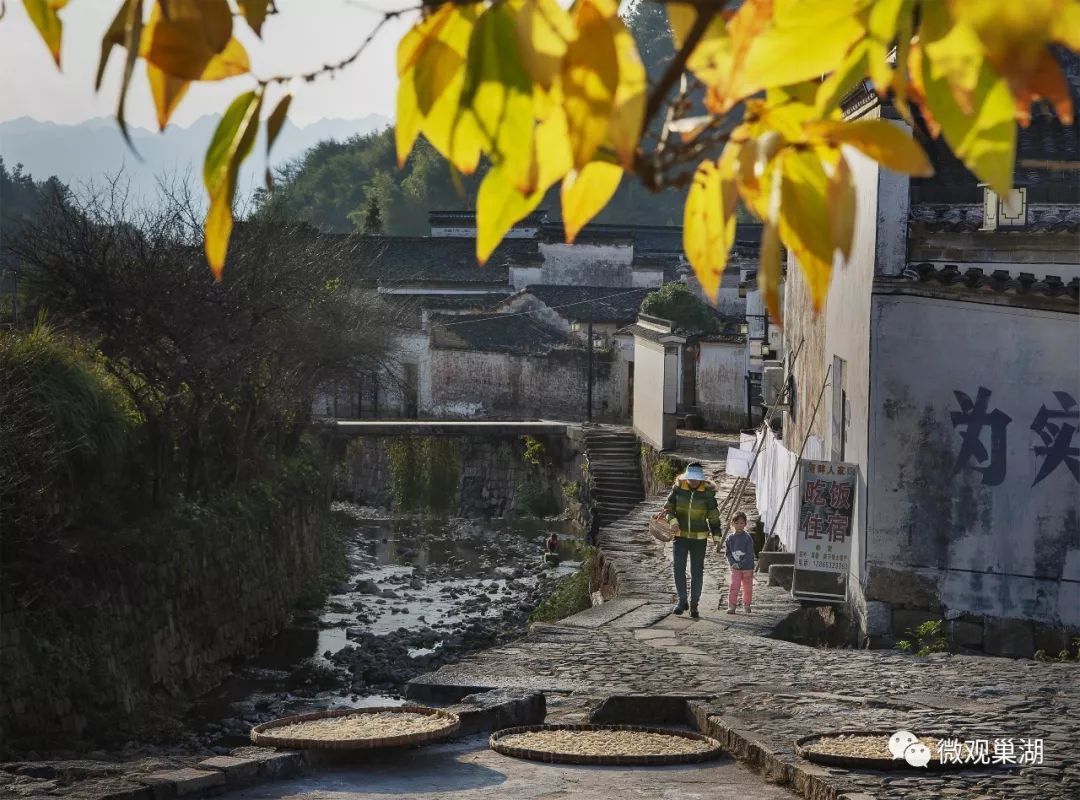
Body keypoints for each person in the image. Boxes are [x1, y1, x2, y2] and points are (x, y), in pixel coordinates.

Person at [662, 462, 721, 619]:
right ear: (686, 477)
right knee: (678, 568)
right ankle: (682, 601)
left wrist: (717, 537)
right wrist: (673, 521)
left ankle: (694, 604)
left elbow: (714, 517)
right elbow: (668, 510)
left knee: (697, 572)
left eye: (696, 479)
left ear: (701, 479)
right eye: (691, 479)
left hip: (699, 539)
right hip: (680, 536)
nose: (693, 482)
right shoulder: (678, 489)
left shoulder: (707, 494)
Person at [725, 512, 756, 614]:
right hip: (735, 568)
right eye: (737, 523)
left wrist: (740, 564)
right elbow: (728, 552)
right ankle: (732, 606)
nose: (739, 525)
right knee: (734, 585)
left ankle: (747, 605)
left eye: (742, 523)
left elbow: (749, 554)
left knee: (747, 588)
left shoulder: (747, 538)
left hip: (747, 568)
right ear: (733, 524)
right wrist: (732, 563)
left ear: (745, 524)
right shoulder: (730, 538)